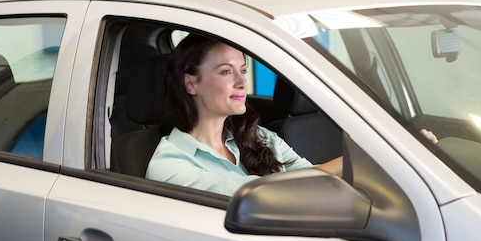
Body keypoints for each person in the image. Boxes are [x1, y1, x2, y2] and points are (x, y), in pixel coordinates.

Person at [146, 34, 342, 195]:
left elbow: (314, 178)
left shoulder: (258, 136)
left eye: (243, 70)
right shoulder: (170, 166)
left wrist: (356, 163)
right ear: (191, 83)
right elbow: (259, 194)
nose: (242, 82)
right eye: (226, 72)